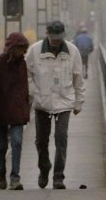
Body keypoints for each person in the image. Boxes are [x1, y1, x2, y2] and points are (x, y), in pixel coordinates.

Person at [26, 20, 85, 190]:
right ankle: (44, 169)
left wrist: (79, 101)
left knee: (61, 139)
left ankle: (59, 177)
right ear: (48, 36)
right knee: (41, 141)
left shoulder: (72, 51)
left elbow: (78, 78)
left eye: (59, 39)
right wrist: (33, 93)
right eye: (54, 39)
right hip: (42, 102)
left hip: (65, 101)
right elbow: (27, 73)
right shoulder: (35, 51)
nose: (57, 42)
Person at [0, 31, 31, 191]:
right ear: (13, 48)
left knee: (17, 142)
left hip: (17, 112)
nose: (24, 52)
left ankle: (15, 178)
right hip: (0, 112)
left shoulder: (22, 64)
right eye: (21, 48)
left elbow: (24, 88)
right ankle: (1, 173)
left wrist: (25, 110)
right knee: (2, 146)